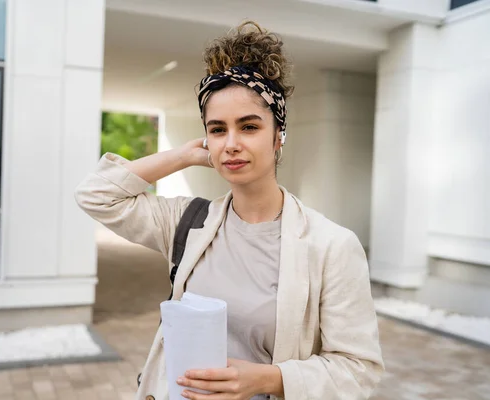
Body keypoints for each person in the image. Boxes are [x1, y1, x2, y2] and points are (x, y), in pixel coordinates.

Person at [75, 21, 384, 400]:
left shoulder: (331, 246)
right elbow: (95, 194)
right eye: (218, 129)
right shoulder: (188, 223)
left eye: (249, 126)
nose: (231, 144)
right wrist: (184, 155)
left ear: (278, 137)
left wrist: (271, 379)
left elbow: (359, 370)